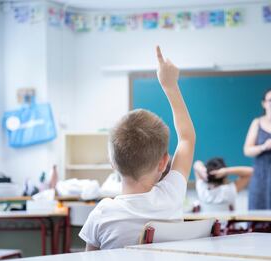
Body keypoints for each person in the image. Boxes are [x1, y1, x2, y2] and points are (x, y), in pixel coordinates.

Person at [79, 46, 195, 250]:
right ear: (163, 162)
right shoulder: (171, 196)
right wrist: (170, 86)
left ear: (112, 162)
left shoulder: (102, 214)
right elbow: (186, 138)